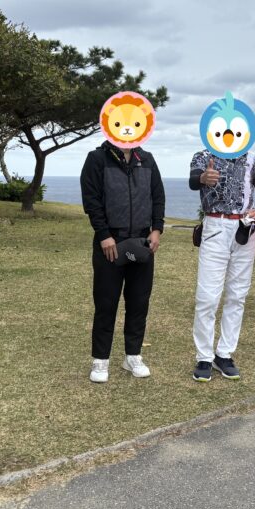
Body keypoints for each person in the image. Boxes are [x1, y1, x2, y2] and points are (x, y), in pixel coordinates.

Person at [80, 137, 165, 383]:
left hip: (142, 242)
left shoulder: (146, 159)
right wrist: (103, 234)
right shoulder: (97, 159)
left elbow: (157, 197)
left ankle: (133, 355)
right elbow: (91, 200)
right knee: (106, 303)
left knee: (139, 302)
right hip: (110, 243)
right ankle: (100, 359)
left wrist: (157, 229)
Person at [189, 150, 255, 381]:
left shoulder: (252, 158)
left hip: (244, 228)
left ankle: (224, 354)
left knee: (237, 295)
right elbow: (193, 181)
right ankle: (204, 356)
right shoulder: (203, 156)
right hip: (215, 226)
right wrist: (203, 178)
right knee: (207, 297)